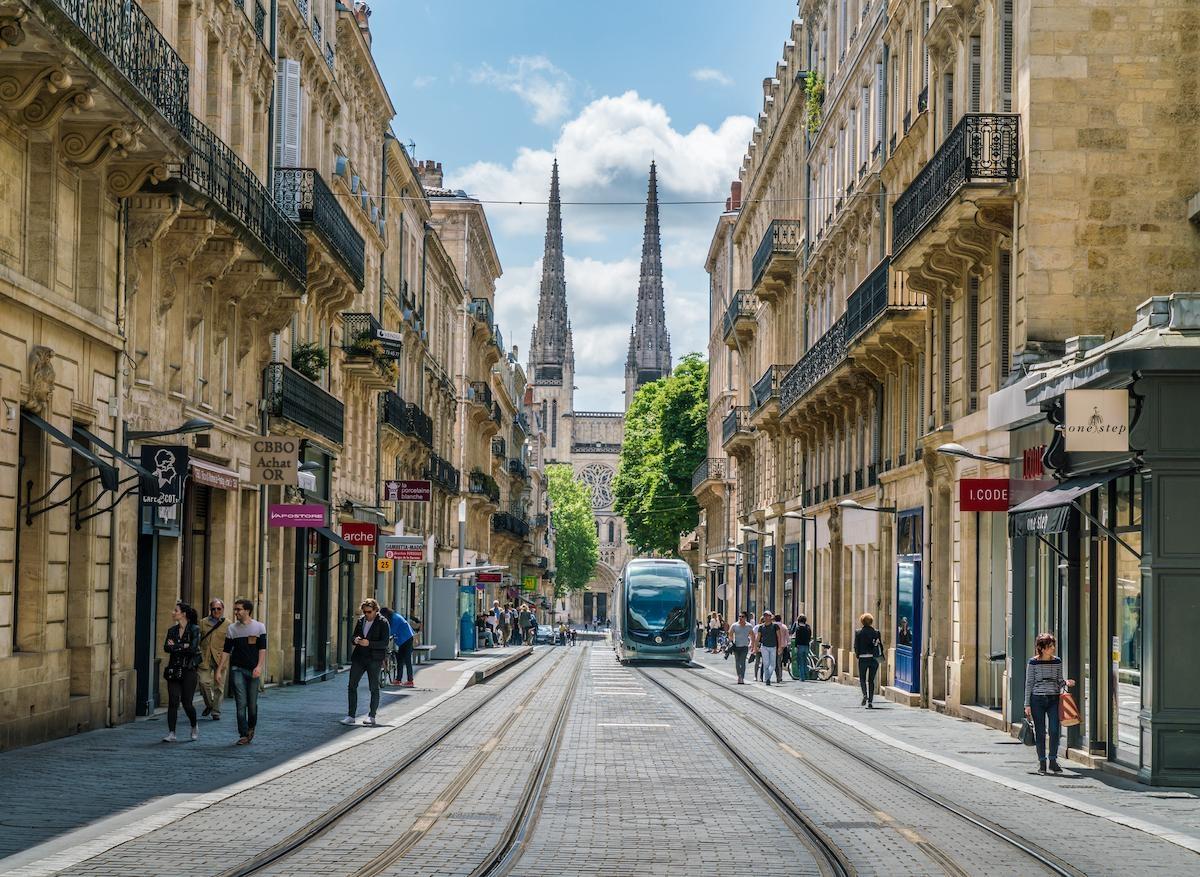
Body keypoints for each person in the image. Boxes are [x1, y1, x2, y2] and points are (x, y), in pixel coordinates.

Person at [216, 598, 266, 745]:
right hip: (237, 669)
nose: (236, 612)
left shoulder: (259, 627)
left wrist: (259, 666)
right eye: (235, 609)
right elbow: (226, 651)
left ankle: (251, 728)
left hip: (253, 671)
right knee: (240, 703)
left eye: (239, 609)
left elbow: (262, 649)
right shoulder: (232, 629)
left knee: (252, 704)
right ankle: (243, 734)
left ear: (247, 611)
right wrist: (219, 670)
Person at [1024, 632, 1075, 775]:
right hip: (1037, 699)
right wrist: (1027, 704)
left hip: (1054, 699)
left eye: (1053, 645)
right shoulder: (1033, 662)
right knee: (1040, 732)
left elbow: (1059, 680)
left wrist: (1066, 682)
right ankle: (1042, 763)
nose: (1053, 648)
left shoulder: (1057, 661)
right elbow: (1029, 683)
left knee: (1054, 730)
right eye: (1050, 646)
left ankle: (1053, 760)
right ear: (1041, 648)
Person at [342, 599, 390, 725]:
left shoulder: (383, 622)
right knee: (352, 685)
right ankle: (351, 716)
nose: (366, 614)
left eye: (369, 612)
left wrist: (369, 643)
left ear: (375, 610)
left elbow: (384, 643)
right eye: (364, 612)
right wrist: (356, 640)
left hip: (374, 659)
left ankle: (371, 716)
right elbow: (353, 637)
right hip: (359, 657)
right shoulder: (361, 620)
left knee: (373, 687)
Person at [162, 601, 201, 742]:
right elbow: (166, 647)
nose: (173, 612)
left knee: (187, 703)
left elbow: (193, 648)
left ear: (183, 614)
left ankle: (194, 724)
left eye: (175, 610)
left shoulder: (194, 629)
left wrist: (177, 646)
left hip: (188, 669)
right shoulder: (172, 630)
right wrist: (183, 645)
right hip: (174, 669)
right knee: (173, 701)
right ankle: (172, 733)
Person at [198, 598, 228, 720]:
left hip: (220, 659)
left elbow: (230, 644)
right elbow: (197, 639)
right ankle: (210, 704)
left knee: (219, 687)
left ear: (222, 609)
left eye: (218, 608)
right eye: (213, 608)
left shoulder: (228, 624)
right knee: (203, 682)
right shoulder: (202, 622)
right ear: (210, 609)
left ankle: (216, 711)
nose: (216, 611)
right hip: (204, 657)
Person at [381, 606, 416, 688]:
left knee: (407, 660)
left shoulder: (395, 619)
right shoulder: (393, 616)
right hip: (404, 639)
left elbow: (391, 631)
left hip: (407, 639)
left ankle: (410, 681)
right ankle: (398, 679)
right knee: (400, 659)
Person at [854, 613, 883, 708]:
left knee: (862, 679)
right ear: (871, 621)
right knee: (871, 680)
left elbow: (856, 646)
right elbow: (880, 645)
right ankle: (870, 701)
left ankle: (864, 695)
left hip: (863, 658)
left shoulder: (858, 632)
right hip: (874, 658)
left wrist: (858, 655)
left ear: (862, 621)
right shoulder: (876, 632)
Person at [754, 611, 786, 686]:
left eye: (768, 616)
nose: (766, 617)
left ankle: (768, 676)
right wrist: (755, 647)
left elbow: (779, 637)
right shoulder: (761, 627)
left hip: (773, 647)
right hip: (764, 647)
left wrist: (780, 647)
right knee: (766, 664)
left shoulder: (775, 626)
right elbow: (758, 637)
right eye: (765, 616)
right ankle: (767, 679)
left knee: (773, 664)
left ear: (771, 617)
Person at [729, 612, 754, 684]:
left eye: (742, 616)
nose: (740, 618)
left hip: (744, 647)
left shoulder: (749, 626)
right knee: (737, 662)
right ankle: (739, 676)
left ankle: (742, 677)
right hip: (736, 646)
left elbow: (752, 635)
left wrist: (751, 644)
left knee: (742, 662)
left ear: (745, 618)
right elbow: (730, 634)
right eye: (739, 616)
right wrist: (731, 642)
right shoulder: (734, 625)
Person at [790, 614, 813, 681]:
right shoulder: (808, 628)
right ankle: (807, 675)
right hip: (806, 646)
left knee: (800, 662)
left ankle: (802, 677)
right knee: (805, 661)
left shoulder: (798, 629)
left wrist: (795, 646)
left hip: (800, 646)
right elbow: (809, 637)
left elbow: (797, 639)